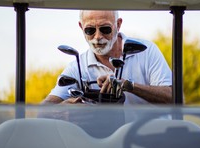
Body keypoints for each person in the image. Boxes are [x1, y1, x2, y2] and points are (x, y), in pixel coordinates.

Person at [42, 10, 172, 105]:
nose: (97, 36)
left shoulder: (147, 51)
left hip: (147, 137)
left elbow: (173, 97)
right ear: (81, 27)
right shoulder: (77, 66)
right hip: (102, 141)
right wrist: (62, 111)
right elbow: (45, 109)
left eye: (105, 29)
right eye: (90, 30)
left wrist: (128, 85)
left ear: (118, 24)